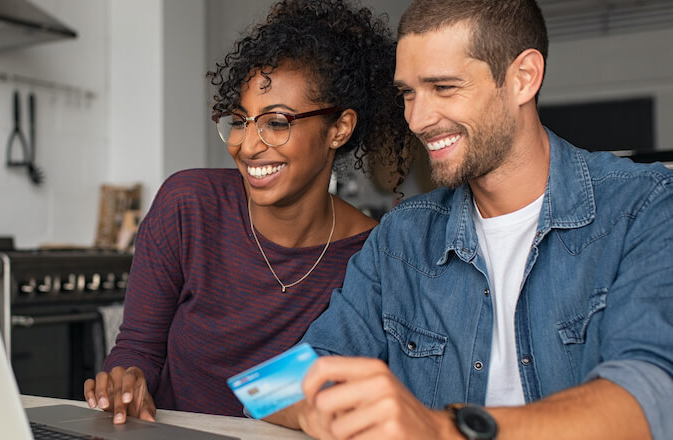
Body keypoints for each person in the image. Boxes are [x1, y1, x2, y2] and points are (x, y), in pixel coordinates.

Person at [268, 0, 673, 438]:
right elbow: (277, 387)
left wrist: (444, 429)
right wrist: (318, 407)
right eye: (407, 92)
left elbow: (649, 400)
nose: (417, 119)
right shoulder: (403, 237)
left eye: (443, 87)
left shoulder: (645, 206)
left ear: (523, 78)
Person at [83, 0, 412, 424]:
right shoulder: (188, 205)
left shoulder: (372, 255)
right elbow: (138, 348)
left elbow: (320, 388)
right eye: (240, 121)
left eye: (276, 122)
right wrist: (125, 382)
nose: (249, 145)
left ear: (339, 128)